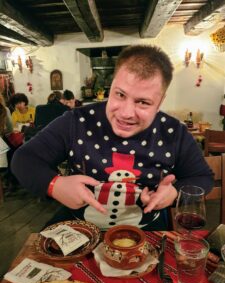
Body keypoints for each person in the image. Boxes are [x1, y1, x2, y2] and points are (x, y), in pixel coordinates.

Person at [11, 45, 214, 230]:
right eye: (120, 95)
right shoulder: (76, 121)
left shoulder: (174, 132)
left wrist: (174, 193)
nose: (126, 113)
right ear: (111, 87)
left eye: (143, 102)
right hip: (80, 227)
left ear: (160, 101)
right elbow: (24, 160)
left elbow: (202, 177)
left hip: (148, 230)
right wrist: (55, 185)